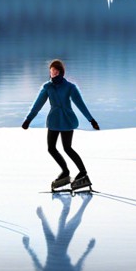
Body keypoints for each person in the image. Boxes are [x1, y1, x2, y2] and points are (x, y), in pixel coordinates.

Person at [21, 59, 99, 192]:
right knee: (51, 148)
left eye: (56, 71)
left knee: (67, 148)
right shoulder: (47, 87)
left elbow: (80, 104)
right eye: (51, 71)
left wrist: (91, 120)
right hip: (54, 121)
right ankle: (65, 171)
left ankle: (83, 172)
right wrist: (28, 119)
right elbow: (37, 104)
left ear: (61, 72)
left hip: (67, 120)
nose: (53, 73)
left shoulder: (70, 87)